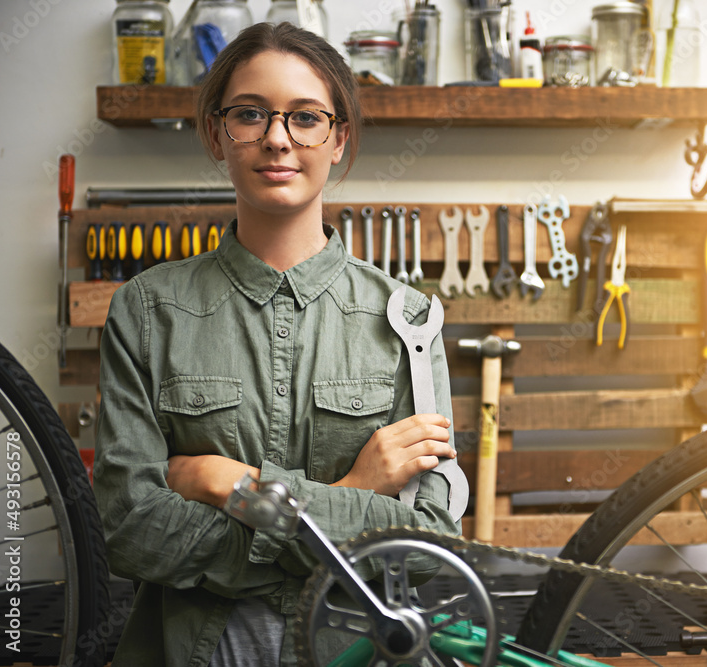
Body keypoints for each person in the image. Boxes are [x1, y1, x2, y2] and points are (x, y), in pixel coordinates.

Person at [93, 22, 460, 666]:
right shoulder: (147, 311)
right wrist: (356, 490)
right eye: (249, 114)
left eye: (306, 118)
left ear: (339, 138)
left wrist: (226, 483)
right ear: (215, 133)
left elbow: (425, 544)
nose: (277, 138)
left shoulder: (408, 319)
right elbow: (130, 533)